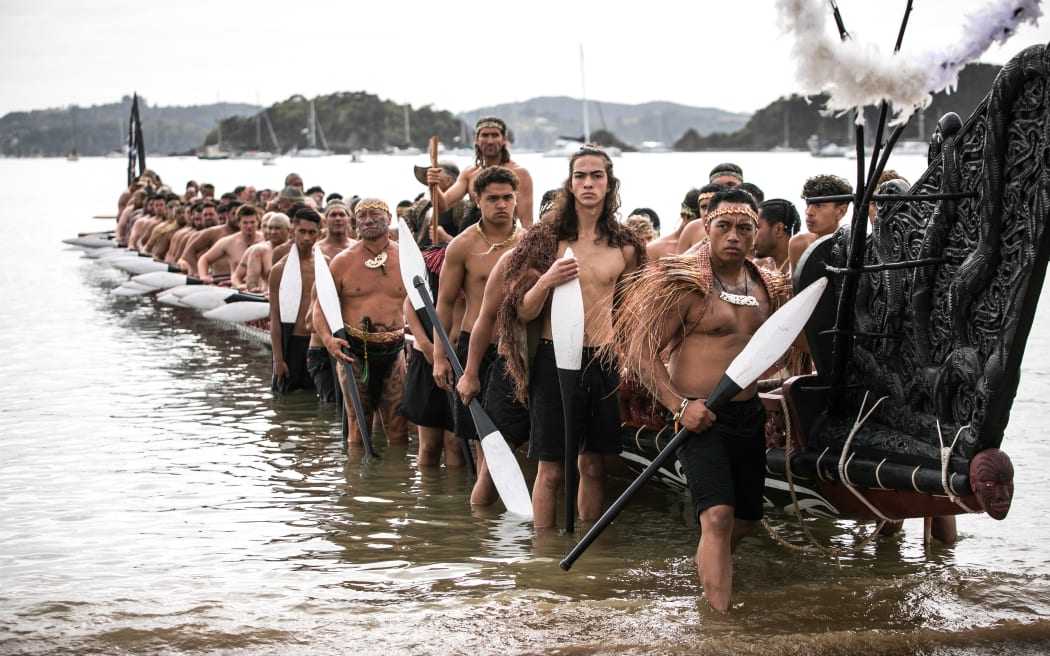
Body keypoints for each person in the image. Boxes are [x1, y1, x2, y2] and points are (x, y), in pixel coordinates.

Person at [612, 186, 791, 612]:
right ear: (707, 227)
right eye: (724, 226)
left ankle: (709, 568)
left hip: (748, 414)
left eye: (744, 228)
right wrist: (679, 405)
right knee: (717, 517)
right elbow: (640, 352)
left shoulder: (768, 286)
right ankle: (720, 625)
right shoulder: (685, 284)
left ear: (755, 233)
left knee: (747, 519)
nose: (734, 235)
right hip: (698, 416)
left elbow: (786, 345)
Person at [496, 144, 645, 528]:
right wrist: (547, 280)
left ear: (610, 183)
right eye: (580, 175)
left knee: (595, 466)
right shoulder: (547, 240)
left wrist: (633, 363)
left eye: (597, 175)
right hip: (554, 359)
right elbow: (522, 310)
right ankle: (544, 558)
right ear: (570, 183)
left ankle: (588, 556)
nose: (588, 182)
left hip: (604, 360)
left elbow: (626, 313)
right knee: (552, 469)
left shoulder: (625, 245)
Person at [432, 166, 524, 499]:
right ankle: (484, 515)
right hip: (475, 348)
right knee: (480, 438)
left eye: (508, 197)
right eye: (493, 198)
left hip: (517, 350)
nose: (502, 204)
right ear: (477, 199)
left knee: (505, 436)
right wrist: (439, 357)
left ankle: (487, 509)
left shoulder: (530, 243)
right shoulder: (462, 246)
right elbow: (443, 304)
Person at [314, 199, 409, 447]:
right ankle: (358, 484)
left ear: (389, 219)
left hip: (395, 350)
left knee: (399, 429)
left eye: (374, 214)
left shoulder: (407, 258)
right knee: (359, 427)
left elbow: (424, 302)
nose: (367, 220)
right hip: (353, 352)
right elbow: (319, 306)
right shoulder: (343, 261)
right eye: (362, 215)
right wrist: (328, 341)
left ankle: (396, 484)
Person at [456, 248, 531, 502]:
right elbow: (485, 318)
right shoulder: (515, 257)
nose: (501, 204)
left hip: (556, 370)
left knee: (553, 467)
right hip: (511, 365)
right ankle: (480, 535)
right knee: (493, 465)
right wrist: (470, 373)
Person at [427, 116, 535, 228]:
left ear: (504, 139)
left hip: (506, 240)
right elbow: (442, 205)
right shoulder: (469, 173)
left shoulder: (520, 174)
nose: (490, 141)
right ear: (476, 140)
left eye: (495, 135)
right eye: (485, 135)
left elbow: (527, 222)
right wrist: (433, 185)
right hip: (475, 238)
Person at [268, 208, 321, 393]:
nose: (307, 238)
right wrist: (278, 360)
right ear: (293, 232)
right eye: (302, 232)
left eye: (312, 232)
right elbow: (274, 318)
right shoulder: (279, 270)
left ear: (319, 234)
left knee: (320, 401)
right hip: (291, 343)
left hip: (318, 343)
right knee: (285, 402)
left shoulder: (326, 265)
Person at [789, 174, 852, 272]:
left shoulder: (851, 248)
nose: (809, 212)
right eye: (808, 204)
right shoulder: (799, 244)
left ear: (841, 212)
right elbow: (796, 285)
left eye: (819, 205)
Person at [197, 204, 263, 284]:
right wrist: (204, 276)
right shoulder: (228, 242)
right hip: (238, 289)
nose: (249, 226)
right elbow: (204, 259)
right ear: (239, 223)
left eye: (252, 222)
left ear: (258, 222)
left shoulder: (265, 241)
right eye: (245, 223)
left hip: (260, 290)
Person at [232, 212, 290, 294]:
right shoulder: (258, 250)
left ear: (289, 229)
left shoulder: (298, 250)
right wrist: (254, 289)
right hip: (266, 297)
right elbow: (251, 283)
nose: (273, 232)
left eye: (277, 228)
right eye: (270, 228)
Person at [677, 182, 729, 254]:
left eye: (712, 206)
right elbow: (678, 263)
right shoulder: (691, 229)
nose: (707, 212)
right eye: (703, 207)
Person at [753, 198, 800, 274]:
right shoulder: (756, 269)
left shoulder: (805, 266)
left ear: (779, 229)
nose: (751, 235)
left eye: (756, 228)